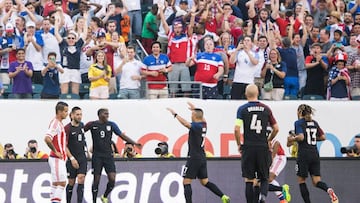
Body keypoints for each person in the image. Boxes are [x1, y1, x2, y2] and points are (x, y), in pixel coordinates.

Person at [166, 102, 230, 203]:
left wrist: (175, 114)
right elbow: (202, 117)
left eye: (192, 114)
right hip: (202, 157)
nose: (191, 116)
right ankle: (223, 196)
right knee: (205, 182)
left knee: (186, 182)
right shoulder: (204, 125)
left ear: (195, 116)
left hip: (194, 157)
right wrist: (194, 108)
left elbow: (185, 123)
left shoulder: (196, 126)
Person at [84, 108, 141, 203]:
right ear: (100, 114)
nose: (107, 115)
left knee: (112, 179)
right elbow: (80, 131)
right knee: (96, 180)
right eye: (105, 113)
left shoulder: (111, 124)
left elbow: (122, 135)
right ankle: (94, 201)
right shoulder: (92, 124)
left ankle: (105, 196)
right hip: (97, 156)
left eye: (108, 113)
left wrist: (134, 142)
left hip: (108, 156)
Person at [234, 84, 279, 203]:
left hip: (248, 147)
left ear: (245, 94)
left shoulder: (242, 109)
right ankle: (263, 197)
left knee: (249, 179)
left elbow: (236, 129)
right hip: (263, 147)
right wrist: (269, 140)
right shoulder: (266, 108)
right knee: (264, 178)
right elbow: (276, 128)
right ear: (258, 93)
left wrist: (239, 144)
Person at [287, 104, 339, 203]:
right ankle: (328, 190)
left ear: (299, 112)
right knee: (316, 181)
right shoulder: (314, 122)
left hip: (304, 154)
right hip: (315, 153)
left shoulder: (298, 123)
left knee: (301, 180)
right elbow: (323, 137)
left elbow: (301, 137)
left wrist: (292, 138)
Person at [44, 101, 71, 203]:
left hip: (59, 159)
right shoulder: (55, 123)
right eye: (65, 111)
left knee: (56, 183)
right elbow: (47, 138)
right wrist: (55, 151)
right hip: (56, 158)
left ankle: (54, 201)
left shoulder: (59, 123)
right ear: (59, 111)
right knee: (62, 183)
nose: (67, 113)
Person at [65, 106, 88, 203]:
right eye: (77, 114)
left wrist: (86, 151)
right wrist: (71, 158)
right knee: (71, 182)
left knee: (81, 178)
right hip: (72, 158)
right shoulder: (67, 128)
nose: (79, 116)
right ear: (72, 115)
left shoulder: (82, 125)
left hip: (82, 157)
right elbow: (64, 146)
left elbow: (83, 140)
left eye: (81, 114)